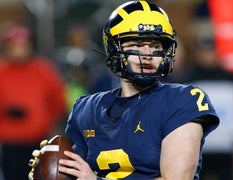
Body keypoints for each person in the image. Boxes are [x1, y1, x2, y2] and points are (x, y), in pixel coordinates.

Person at [55, 1, 220, 180]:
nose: (148, 54)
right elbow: (79, 173)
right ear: (113, 49)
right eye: (137, 45)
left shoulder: (182, 101)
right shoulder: (87, 108)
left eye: (156, 46)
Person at [0, 24, 67, 180]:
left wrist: (51, 125)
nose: (19, 50)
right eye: (15, 46)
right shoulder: (2, 72)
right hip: (10, 143)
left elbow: (58, 102)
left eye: (23, 45)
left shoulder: (43, 70)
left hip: (39, 141)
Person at [186, 37, 233, 180]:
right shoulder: (187, 80)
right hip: (200, 146)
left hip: (227, 145)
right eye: (203, 52)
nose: (207, 56)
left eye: (210, 51)